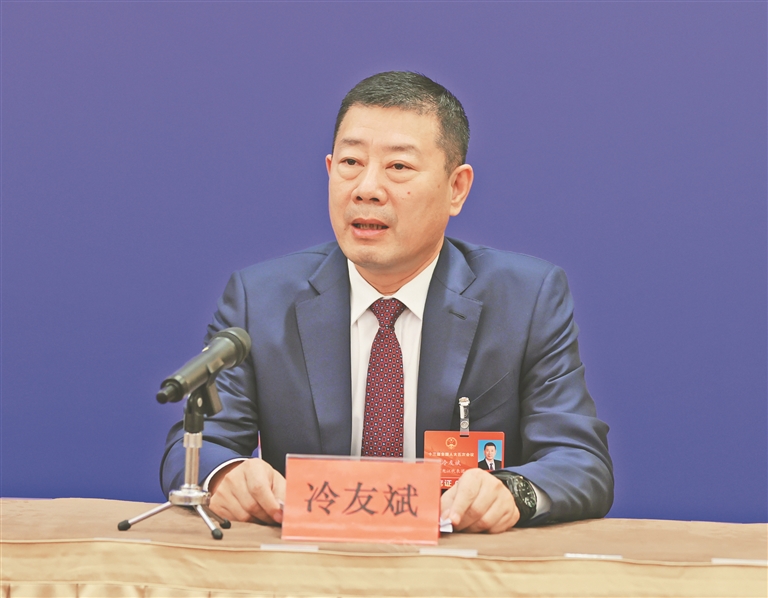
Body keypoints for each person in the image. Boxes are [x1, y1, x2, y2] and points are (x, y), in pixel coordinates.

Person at [161, 71, 613, 533]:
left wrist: (512, 490)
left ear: (456, 188)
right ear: (329, 170)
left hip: (457, 563)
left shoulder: (525, 299)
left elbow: (581, 461)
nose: (366, 188)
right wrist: (225, 475)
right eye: (351, 162)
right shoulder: (260, 299)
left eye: (398, 167)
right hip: (309, 562)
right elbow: (195, 446)